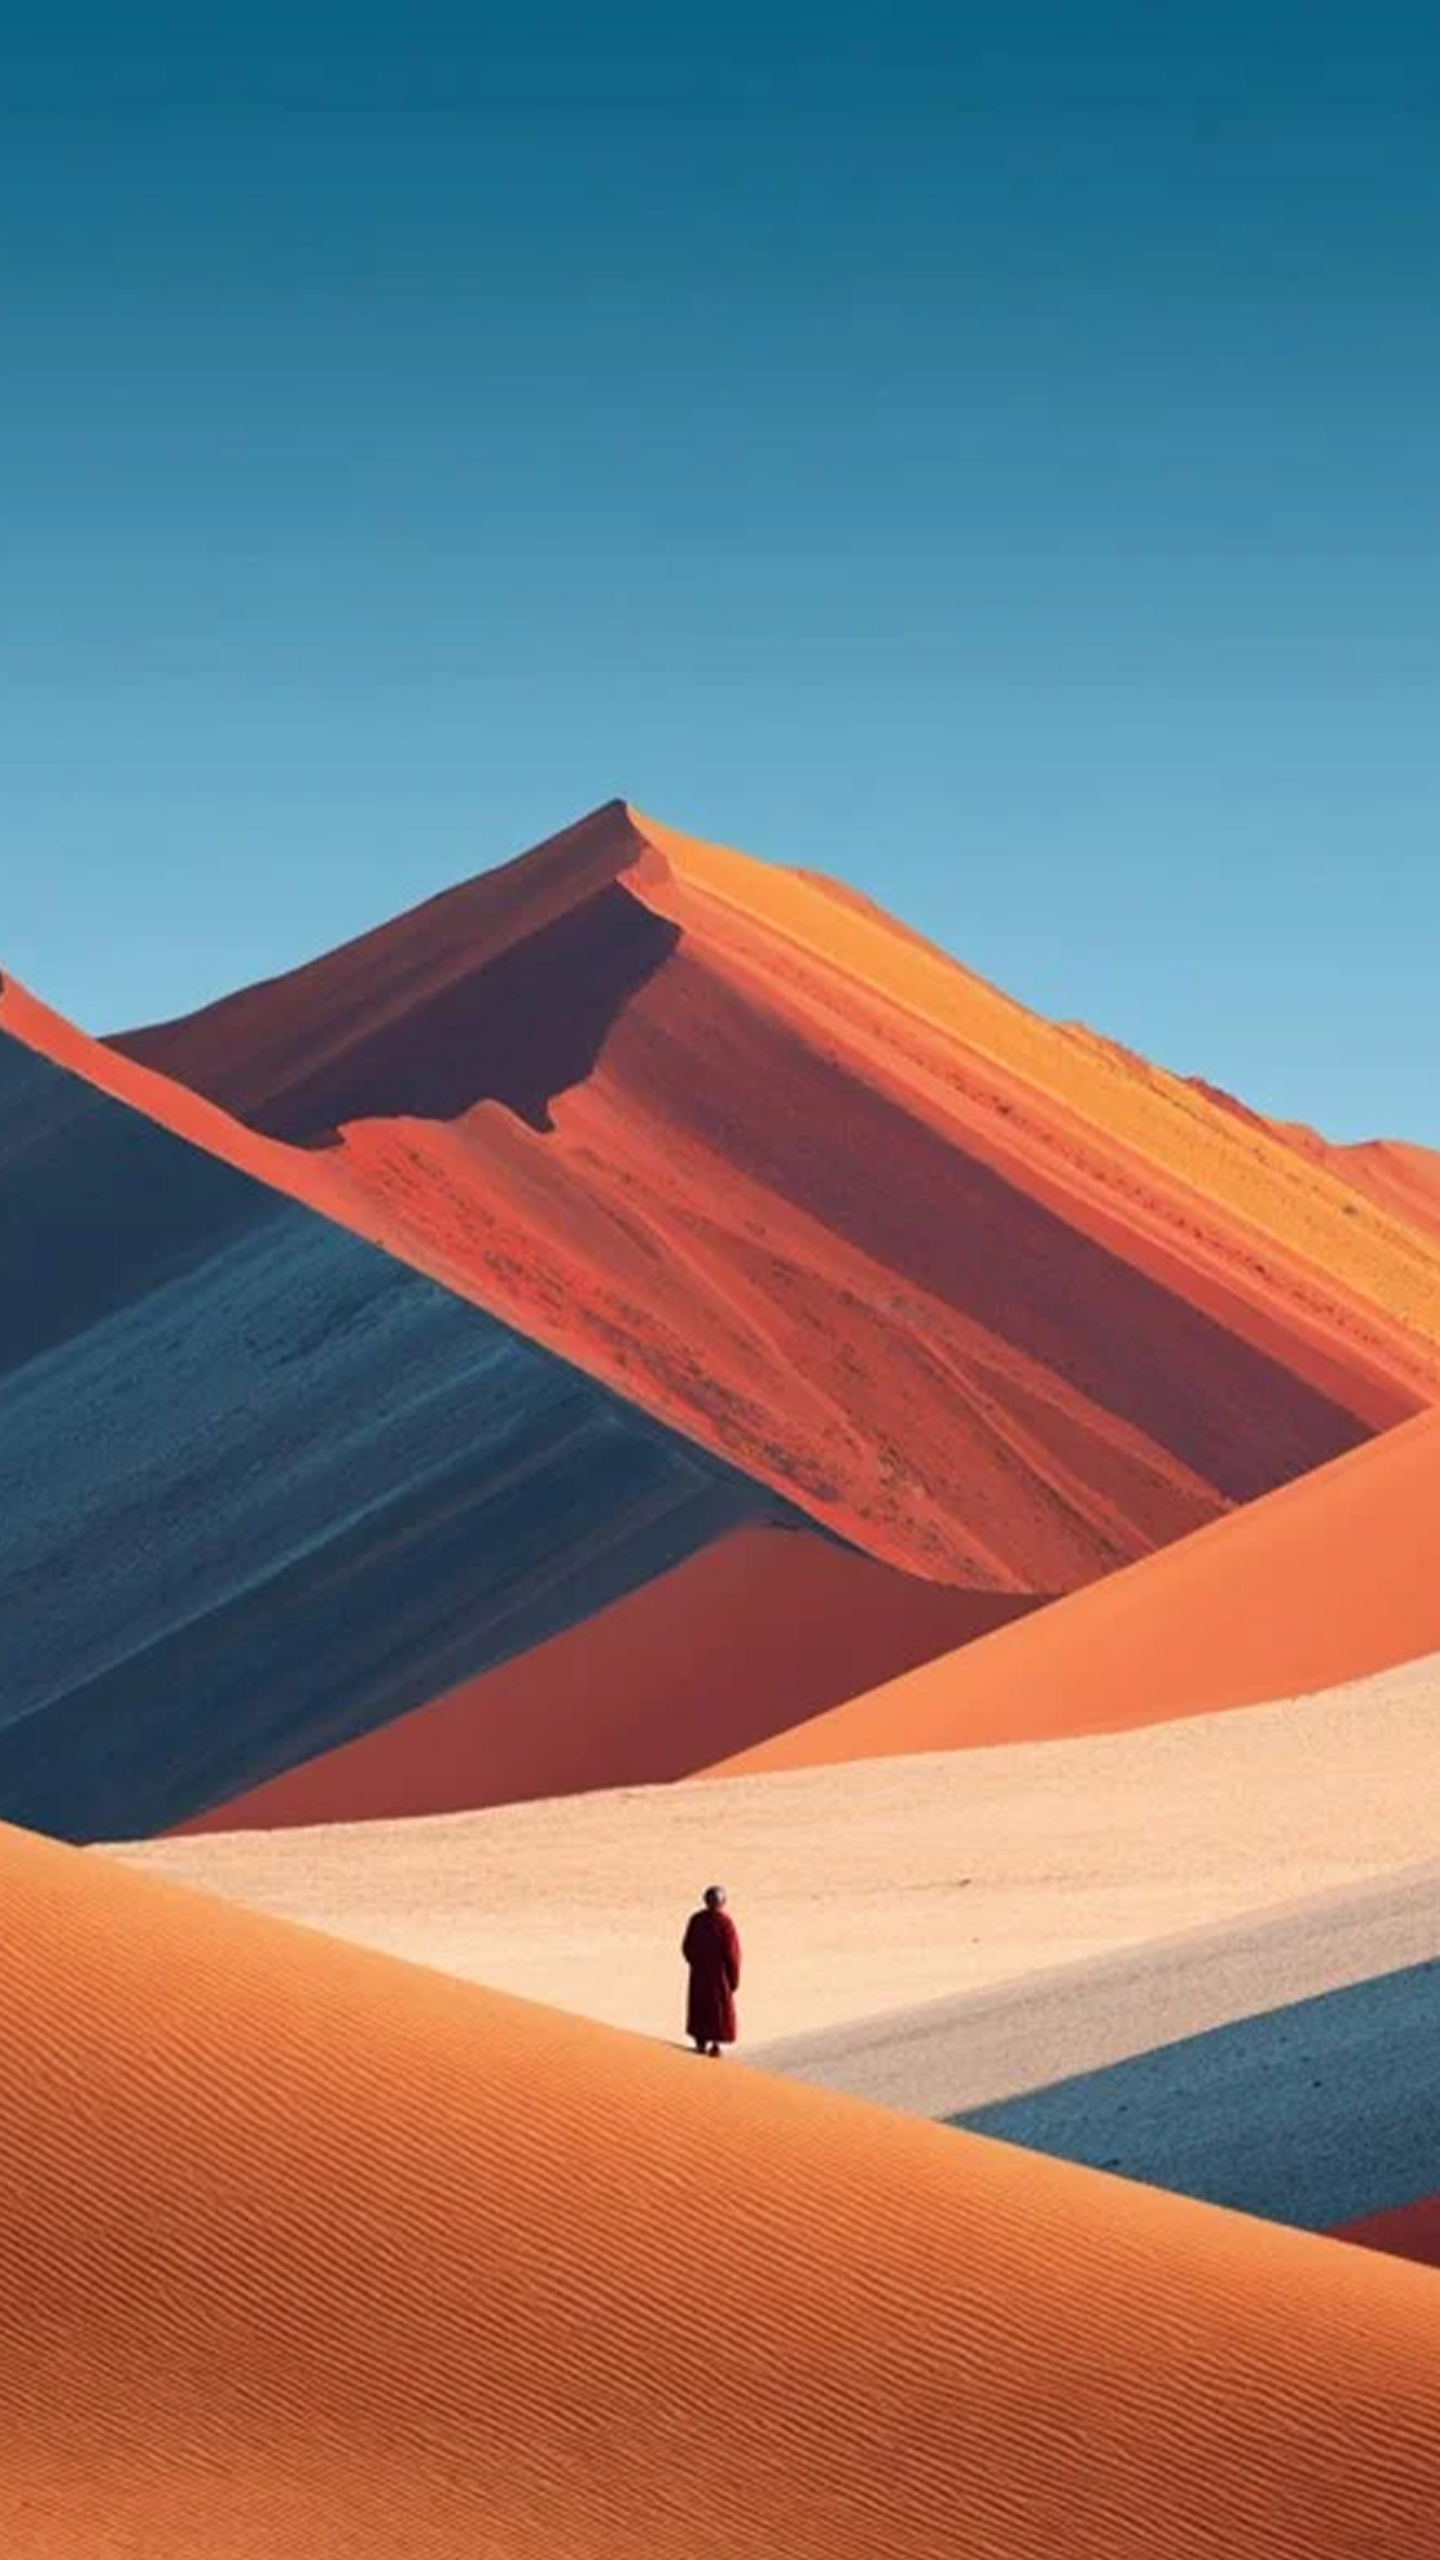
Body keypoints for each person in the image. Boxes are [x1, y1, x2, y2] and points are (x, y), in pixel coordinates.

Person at [681, 1884, 741, 2056]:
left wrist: (697, 1964)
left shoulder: (696, 1920)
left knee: (700, 2006)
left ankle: (701, 2042)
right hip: (718, 1977)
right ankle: (715, 2044)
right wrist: (733, 1978)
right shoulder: (725, 1923)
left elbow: (687, 1948)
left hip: (700, 1975)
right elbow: (732, 1954)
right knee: (718, 2010)